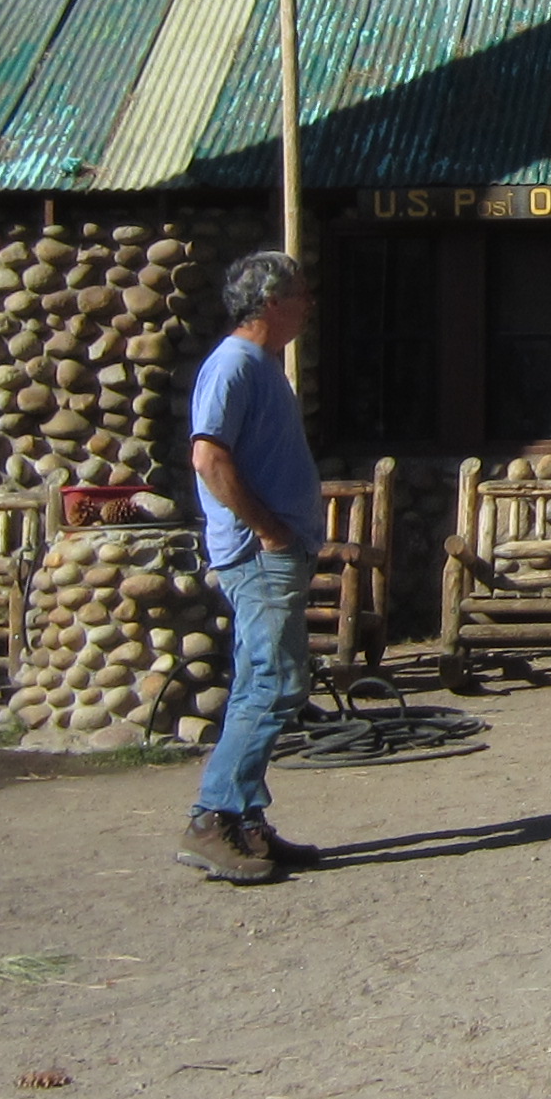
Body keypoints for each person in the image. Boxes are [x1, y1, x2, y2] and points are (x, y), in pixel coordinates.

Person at [182, 250, 323, 884]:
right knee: (271, 683)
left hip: (274, 550)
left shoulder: (262, 366)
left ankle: (246, 822)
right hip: (259, 555)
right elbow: (209, 459)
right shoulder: (235, 365)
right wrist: (267, 529)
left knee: (269, 682)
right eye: (300, 293)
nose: (309, 304)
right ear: (270, 301)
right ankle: (213, 818)